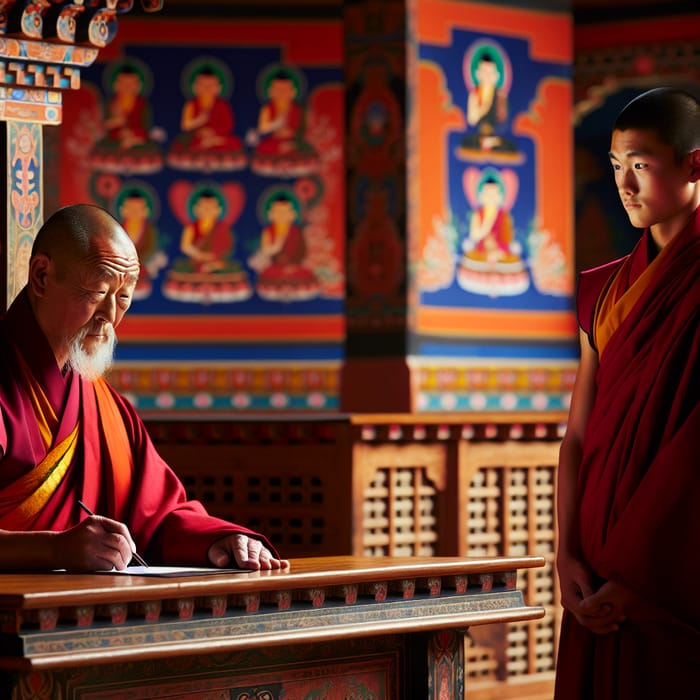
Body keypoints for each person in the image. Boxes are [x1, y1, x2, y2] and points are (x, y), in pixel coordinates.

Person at [0, 204, 288, 573]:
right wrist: (54, 550)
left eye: (123, 298)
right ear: (41, 276)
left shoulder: (106, 408)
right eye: (98, 291)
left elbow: (159, 512)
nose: (110, 316)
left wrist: (218, 540)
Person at [554, 87, 699, 698]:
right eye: (616, 167)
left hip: (675, 568)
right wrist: (566, 557)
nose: (624, 184)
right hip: (594, 563)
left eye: (640, 164)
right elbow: (580, 433)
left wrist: (642, 572)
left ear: (695, 164)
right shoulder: (603, 290)